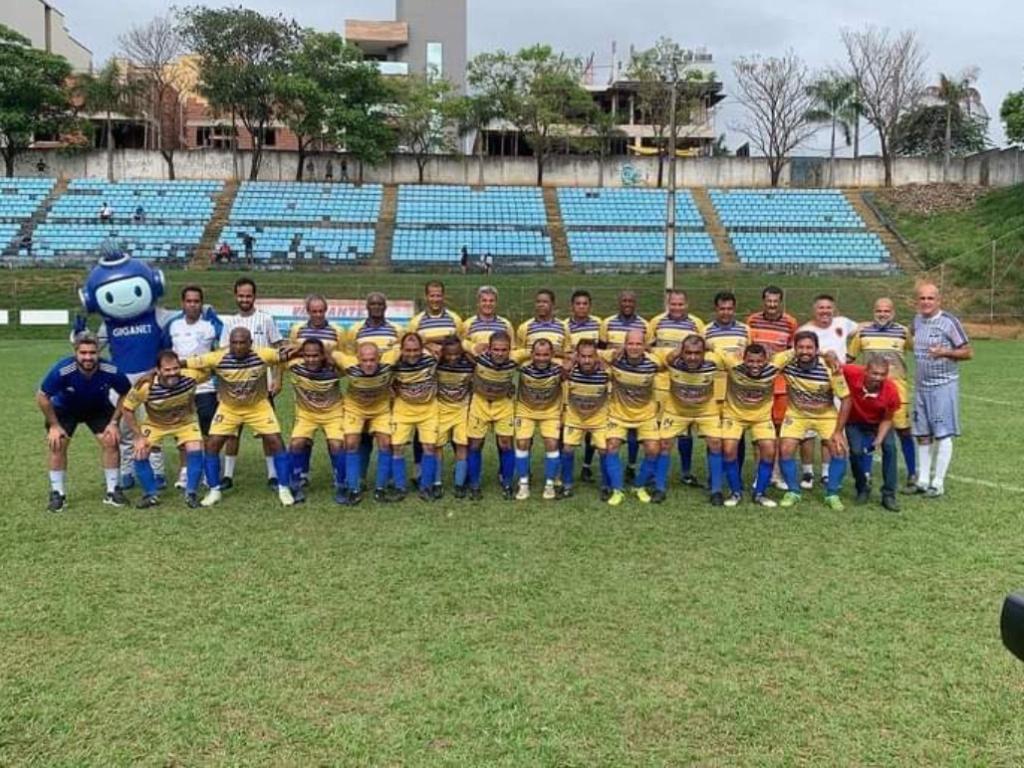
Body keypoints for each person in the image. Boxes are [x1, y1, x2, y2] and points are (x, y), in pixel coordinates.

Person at [187, 327, 294, 508]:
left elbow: (287, 354)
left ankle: (284, 488)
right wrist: (155, 370)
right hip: (229, 408)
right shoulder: (217, 357)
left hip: (258, 406)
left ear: (250, 344)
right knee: (212, 444)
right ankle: (214, 490)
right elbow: (183, 363)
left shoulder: (263, 355)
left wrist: (297, 346)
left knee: (276, 441)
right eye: (234, 343)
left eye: (242, 342)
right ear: (229, 344)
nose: (237, 346)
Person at [37, 332, 131, 511]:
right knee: (58, 443)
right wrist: (55, 425)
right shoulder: (63, 369)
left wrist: (113, 422)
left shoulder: (110, 369)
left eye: (92, 353)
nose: (88, 357)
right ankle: (58, 494)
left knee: (111, 441)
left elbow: (126, 393)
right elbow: (42, 396)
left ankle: (113, 491)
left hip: (97, 408)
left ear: (98, 353)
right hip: (66, 409)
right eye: (83, 353)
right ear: (76, 353)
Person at [120, 351, 209, 509]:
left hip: (185, 422)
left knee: (195, 448)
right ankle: (151, 495)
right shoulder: (145, 386)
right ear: (158, 370)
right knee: (140, 452)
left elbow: (211, 368)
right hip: (156, 424)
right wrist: (138, 436)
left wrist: (186, 363)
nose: (172, 373)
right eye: (167, 370)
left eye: (176, 368)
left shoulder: (191, 377)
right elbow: (127, 409)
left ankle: (191, 493)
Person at [219, 277, 282, 491]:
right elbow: (221, 356)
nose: (245, 299)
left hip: (261, 389)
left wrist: (278, 378)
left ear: (254, 296)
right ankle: (227, 475)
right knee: (232, 432)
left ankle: (273, 475)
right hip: (233, 388)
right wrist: (221, 388)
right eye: (241, 295)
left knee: (268, 433)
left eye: (248, 295)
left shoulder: (266, 319)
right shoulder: (229, 322)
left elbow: (278, 351)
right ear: (235, 296)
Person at [776, 331, 851, 510]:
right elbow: (772, 361)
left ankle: (832, 494)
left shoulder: (830, 368)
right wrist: (819, 352)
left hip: (825, 414)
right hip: (797, 414)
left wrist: (839, 431)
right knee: (785, 448)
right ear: (794, 349)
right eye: (800, 347)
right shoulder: (788, 364)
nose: (805, 351)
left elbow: (846, 399)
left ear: (816, 349)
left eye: (809, 347)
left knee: (839, 449)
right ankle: (793, 491)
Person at [848, 297, 917, 491]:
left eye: (886, 311)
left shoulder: (903, 332)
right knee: (871, 429)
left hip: (898, 392)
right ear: (874, 311)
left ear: (893, 312)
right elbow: (850, 358)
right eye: (879, 310)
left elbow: (918, 351)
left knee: (904, 431)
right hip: (872, 392)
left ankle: (912, 473)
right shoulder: (863, 332)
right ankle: (867, 473)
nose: (882, 314)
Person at [911, 281, 972, 497]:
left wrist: (945, 352)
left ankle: (938, 483)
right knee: (923, 434)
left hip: (943, 386)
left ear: (939, 300)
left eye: (930, 298)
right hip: (921, 387)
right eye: (922, 298)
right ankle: (923, 480)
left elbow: (967, 352)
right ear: (917, 301)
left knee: (942, 433)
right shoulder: (917, 320)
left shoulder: (948, 322)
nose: (926, 302)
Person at [161, 285, 222, 490]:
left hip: (204, 386)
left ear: (201, 304)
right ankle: (185, 471)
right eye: (189, 301)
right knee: (182, 429)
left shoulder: (210, 327)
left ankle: (206, 469)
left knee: (207, 430)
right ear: (183, 303)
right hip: (179, 388)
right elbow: (164, 354)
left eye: (196, 301)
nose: (193, 305)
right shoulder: (173, 325)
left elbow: (220, 355)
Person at [798, 294, 858, 491]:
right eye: (821, 308)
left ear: (834, 309)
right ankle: (807, 472)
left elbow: (862, 328)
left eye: (828, 308)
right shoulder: (805, 330)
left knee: (831, 431)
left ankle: (825, 472)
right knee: (807, 433)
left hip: (837, 384)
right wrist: (824, 354)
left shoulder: (843, 323)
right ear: (814, 310)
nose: (825, 311)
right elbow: (800, 352)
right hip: (812, 385)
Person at [656, 335, 724, 505]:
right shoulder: (674, 362)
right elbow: (664, 361)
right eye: (688, 353)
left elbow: (733, 362)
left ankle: (716, 490)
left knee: (715, 443)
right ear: (681, 352)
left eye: (697, 353)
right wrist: (678, 349)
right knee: (663, 444)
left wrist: (713, 347)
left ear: (704, 353)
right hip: (677, 410)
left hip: (705, 410)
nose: (692, 357)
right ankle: (659, 488)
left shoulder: (714, 362)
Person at [647, 290, 706, 487]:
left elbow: (701, 350)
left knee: (686, 429)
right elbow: (647, 349)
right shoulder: (656, 322)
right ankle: (654, 472)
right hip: (661, 384)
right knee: (658, 430)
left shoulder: (696, 324)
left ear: (687, 304)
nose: (677, 308)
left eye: (680, 304)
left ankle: (686, 471)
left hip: (686, 383)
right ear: (668, 303)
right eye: (673, 304)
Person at [600, 329, 662, 506]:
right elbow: (589, 353)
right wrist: (612, 355)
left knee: (653, 450)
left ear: (645, 346)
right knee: (611, 446)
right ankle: (617, 489)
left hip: (646, 414)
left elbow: (671, 360)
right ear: (624, 345)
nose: (634, 347)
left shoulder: (654, 362)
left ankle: (639, 486)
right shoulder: (615, 358)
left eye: (638, 344)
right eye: (630, 343)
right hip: (618, 413)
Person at [718, 343, 785, 507]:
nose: (755, 365)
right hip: (734, 415)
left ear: (766, 359)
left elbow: (796, 351)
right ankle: (735, 492)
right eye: (750, 361)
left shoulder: (774, 366)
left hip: (761, 418)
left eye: (759, 361)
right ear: (743, 359)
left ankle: (760, 493)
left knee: (769, 450)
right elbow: (712, 346)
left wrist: (828, 354)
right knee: (728, 450)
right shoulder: (733, 364)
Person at [746, 285, 798, 489]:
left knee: (777, 430)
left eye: (776, 302)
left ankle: (776, 474)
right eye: (769, 301)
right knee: (758, 430)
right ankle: (760, 474)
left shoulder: (790, 322)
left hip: (780, 386)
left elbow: (792, 352)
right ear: (763, 301)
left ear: (781, 302)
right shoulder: (752, 321)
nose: (772, 305)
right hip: (758, 385)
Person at [334, 342, 398, 505]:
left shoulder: (389, 361)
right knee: (350, 443)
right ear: (357, 359)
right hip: (355, 409)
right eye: (364, 360)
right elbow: (330, 353)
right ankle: (353, 489)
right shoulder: (348, 364)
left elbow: (407, 346)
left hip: (380, 409)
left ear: (379, 358)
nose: (368, 364)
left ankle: (380, 489)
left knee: (386, 443)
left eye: (372, 360)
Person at [284, 338, 346, 504]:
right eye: (307, 355)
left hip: (333, 413)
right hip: (307, 413)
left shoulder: (335, 369)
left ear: (322, 356)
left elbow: (353, 367)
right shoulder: (294, 366)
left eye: (316, 356)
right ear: (302, 355)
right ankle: (295, 485)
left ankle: (341, 485)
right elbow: (275, 359)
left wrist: (332, 357)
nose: (311, 359)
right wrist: (296, 349)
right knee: (296, 443)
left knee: (337, 445)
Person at [601, 290, 649, 483]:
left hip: (637, 379)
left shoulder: (645, 325)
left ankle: (631, 465)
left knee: (634, 430)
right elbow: (602, 351)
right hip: (616, 380)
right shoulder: (608, 323)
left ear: (635, 303)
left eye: (631, 300)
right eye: (624, 300)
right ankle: (596, 467)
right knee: (613, 426)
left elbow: (649, 350)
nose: (627, 303)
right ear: (618, 302)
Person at [842, 356, 901, 512]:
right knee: (855, 452)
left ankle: (888, 494)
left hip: (879, 422)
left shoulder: (891, 391)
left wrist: (879, 439)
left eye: (882, 374)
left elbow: (888, 419)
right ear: (866, 370)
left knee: (890, 448)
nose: (878, 378)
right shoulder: (852, 372)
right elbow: (835, 365)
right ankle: (862, 487)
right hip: (854, 420)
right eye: (874, 373)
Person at [464, 331, 518, 500]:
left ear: (510, 349)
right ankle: (474, 484)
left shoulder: (515, 359)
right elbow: (461, 343)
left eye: (504, 350)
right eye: (496, 349)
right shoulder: (479, 358)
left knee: (506, 444)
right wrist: (474, 347)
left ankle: (508, 482)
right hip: (480, 403)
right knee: (475, 445)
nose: (500, 353)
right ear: (489, 348)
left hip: (504, 404)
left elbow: (539, 353)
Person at [389, 333, 440, 503]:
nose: (412, 354)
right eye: (408, 350)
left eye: (416, 350)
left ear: (422, 349)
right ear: (401, 350)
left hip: (428, 408)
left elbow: (452, 340)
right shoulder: (393, 364)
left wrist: (429, 342)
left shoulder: (432, 359)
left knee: (429, 447)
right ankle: (399, 487)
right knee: (397, 447)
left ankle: (426, 487)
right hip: (403, 408)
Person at [512, 339, 564, 501]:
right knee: (522, 443)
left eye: (546, 354)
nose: (542, 358)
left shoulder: (560, 368)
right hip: (525, 410)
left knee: (552, 444)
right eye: (538, 354)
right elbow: (512, 355)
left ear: (552, 355)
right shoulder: (523, 366)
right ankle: (523, 483)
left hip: (550, 411)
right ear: (532, 354)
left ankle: (549, 484)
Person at [559, 339, 610, 499]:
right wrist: (570, 362)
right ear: (577, 357)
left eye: (590, 356)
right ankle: (567, 484)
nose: (586, 360)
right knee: (567, 448)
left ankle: (606, 485)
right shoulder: (570, 373)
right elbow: (559, 376)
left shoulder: (606, 373)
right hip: (575, 416)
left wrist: (604, 363)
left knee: (604, 450)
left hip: (598, 417)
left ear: (596, 356)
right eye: (582, 356)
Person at [566, 290, 603, 484]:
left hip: (594, 379)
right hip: (573, 380)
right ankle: (565, 473)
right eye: (578, 303)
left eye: (585, 303)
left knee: (592, 424)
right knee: (571, 422)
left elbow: (602, 351)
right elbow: (565, 352)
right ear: (572, 306)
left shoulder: (598, 324)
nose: (581, 307)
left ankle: (587, 466)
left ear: (590, 306)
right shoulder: (564, 326)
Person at [435, 336, 475, 498]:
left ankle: (459, 484)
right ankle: (436, 482)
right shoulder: (437, 366)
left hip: (462, 410)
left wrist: (468, 353)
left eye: (456, 354)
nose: (452, 358)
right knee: (437, 446)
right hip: (441, 409)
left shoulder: (469, 366)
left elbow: (479, 370)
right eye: (449, 354)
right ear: (443, 353)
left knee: (462, 445)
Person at [407, 281, 463, 352]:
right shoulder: (415, 322)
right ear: (426, 297)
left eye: (438, 296)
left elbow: (461, 342)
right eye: (432, 296)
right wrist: (427, 345)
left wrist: (426, 340)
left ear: (443, 296)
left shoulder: (455, 319)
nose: (435, 300)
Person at [462, 285, 515, 353]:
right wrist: (474, 347)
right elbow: (463, 346)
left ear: (496, 303)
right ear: (478, 303)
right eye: (484, 300)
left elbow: (513, 348)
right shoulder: (468, 324)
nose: (488, 304)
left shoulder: (506, 324)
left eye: (491, 301)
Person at [516, 289, 569, 356]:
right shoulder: (525, 327)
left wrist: (557, 353)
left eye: (545, 302)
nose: (541, 305)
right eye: (538, 302)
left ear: (553, 304)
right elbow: (519, 353)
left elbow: (568, 352)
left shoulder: (563, 327)